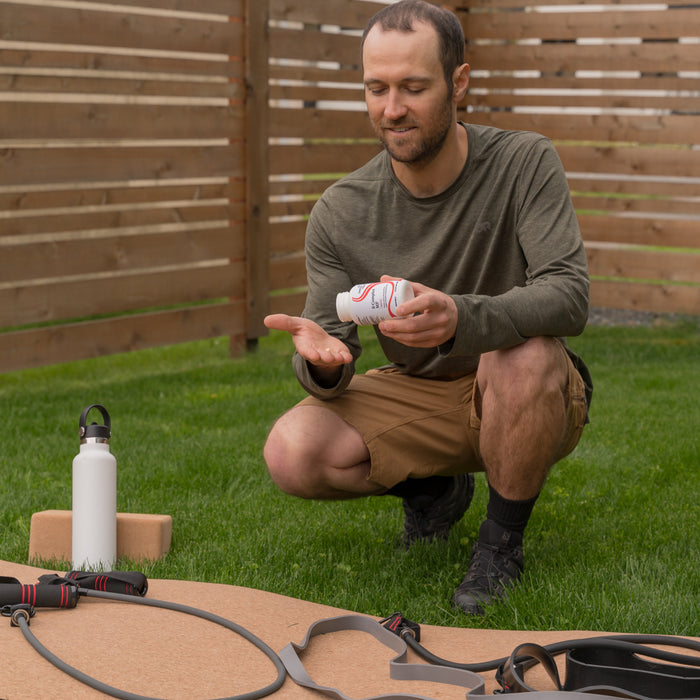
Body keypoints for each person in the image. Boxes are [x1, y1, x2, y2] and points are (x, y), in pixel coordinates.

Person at [263, 0, 592, 616]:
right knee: (291, 452)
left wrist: (463, 319)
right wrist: (324, 364)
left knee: (520, 354)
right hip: (418, 390)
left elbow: (569, 293)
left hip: (525, 386)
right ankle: (436, 493)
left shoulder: (523, 162)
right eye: (377, 89)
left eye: (413, 88)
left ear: (458, 82)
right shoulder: (340, 210)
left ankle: (500, 545)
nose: (392, 109)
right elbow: (330, 344)